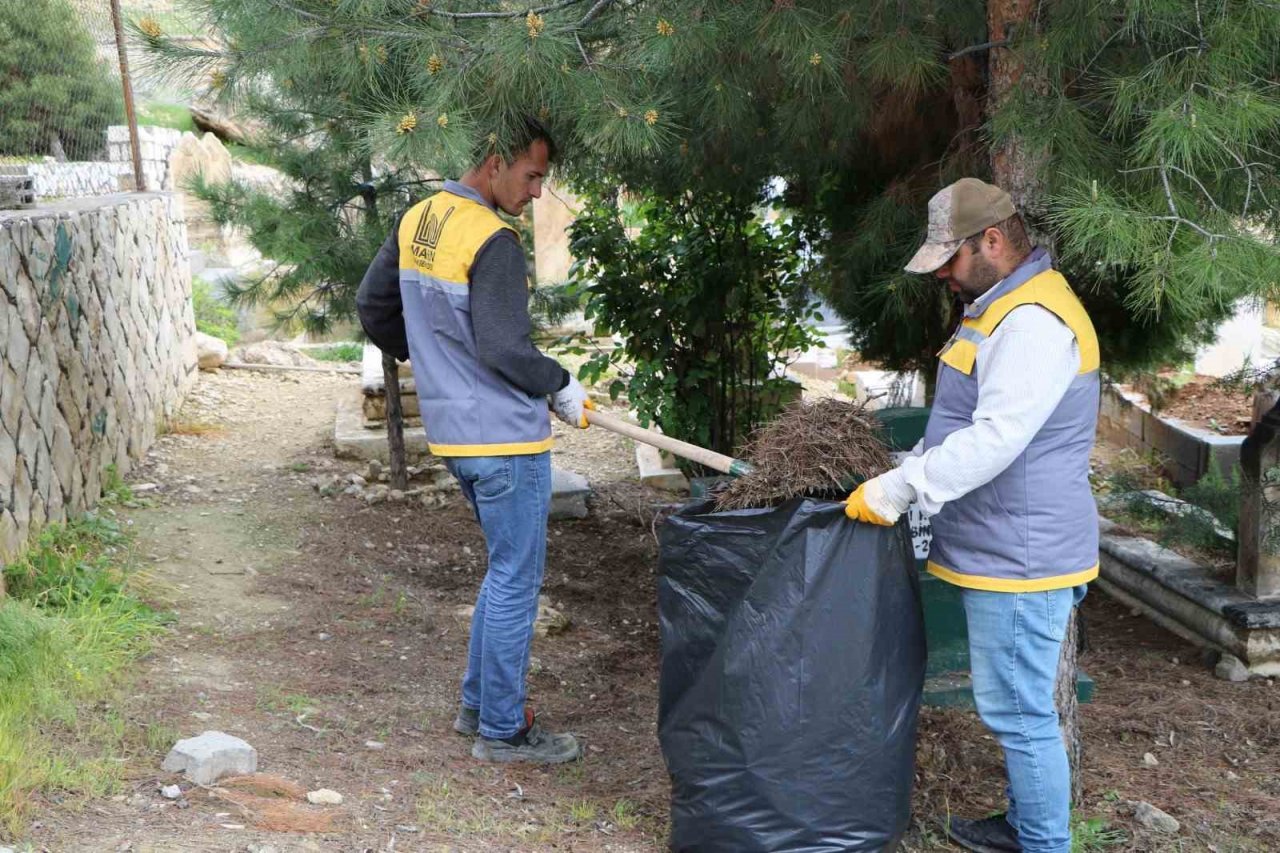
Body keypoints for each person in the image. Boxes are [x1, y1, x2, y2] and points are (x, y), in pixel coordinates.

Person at [845, 178, 1099, 853]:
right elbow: (960, 422)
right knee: (1017, 706)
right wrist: (903, 469)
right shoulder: (998, 306)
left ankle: (1043, 843)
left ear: (991, 240)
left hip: (1024, 554)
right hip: (1005, 544)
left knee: (1019, 713)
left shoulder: (1033, 323)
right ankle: (1023, 824)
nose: (944, 278)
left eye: (950, 260)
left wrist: (903, 491)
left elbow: (995, 438)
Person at [356, 117, 588, 765]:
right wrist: (561, 385)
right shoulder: (494, 239)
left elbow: (372, 307)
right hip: (507, 440)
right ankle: (504, 730)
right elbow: (506, 347)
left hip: (456, 436)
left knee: (504, 571)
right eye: (531, 175)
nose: (537, 192)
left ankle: (476, 707)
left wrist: (428, 356)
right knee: (519, 578)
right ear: (494, 163)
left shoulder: (419, 219)